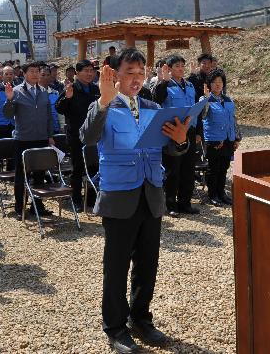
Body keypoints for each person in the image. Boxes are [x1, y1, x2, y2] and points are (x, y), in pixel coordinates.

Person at [79, 49, 191, 354]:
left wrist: (181, 140)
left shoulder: (153, 107)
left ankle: (140, 318)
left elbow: (171, 149)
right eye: (130, 71)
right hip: (120, 197)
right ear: (114, 75)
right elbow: (86, 137)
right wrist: (102, 100)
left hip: (151, 194)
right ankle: (115, 328)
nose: (136, 78)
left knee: (147, 263)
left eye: (141, 72)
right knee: (116, 267)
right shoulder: (103, 106)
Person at [3, 60, 55, 220]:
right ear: (24, 74)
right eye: (31, 71)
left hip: (41, 138)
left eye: (37, 71)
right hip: (23, 139)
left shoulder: (44, 91)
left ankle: (37, 206)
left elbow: (48, 116)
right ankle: (19, 207)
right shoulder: (17, 91)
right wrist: (10, 99)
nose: (34, 74)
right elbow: (8, 114)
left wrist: (50, 136)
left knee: (40, 174)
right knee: (21, 175)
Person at [153, 55, 199, 216]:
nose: (180, 68)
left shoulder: (190, 85)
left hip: (190, 131)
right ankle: (170, 204)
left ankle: (185, 203)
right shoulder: (164, 85)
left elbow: (196, 109)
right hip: (172, 131)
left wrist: (198, 132)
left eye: (182, 65)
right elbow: (156, 99)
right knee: (173, 169)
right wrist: (164, 81)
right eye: (177, 66)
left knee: (188, 167)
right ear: (169, 69)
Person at [55, 59, 100, 210]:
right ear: (77, 73)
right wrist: (67, 97)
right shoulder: (71, 88)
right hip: (76, 135)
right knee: (78, 168)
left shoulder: (95, 89)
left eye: (91, 71)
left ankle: (91, 199)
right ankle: (76, 199)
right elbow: (59, 108)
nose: (89, 74)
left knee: (94, 167)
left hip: (94, 135)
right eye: (86, 71)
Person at [199, 69, 239, 206]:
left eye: (220, 82)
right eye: (214, 82)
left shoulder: (228, 100)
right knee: (213, 168)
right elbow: (202, 116)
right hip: (214, 140)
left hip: (228, 139)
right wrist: (205, 99)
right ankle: (213, 195)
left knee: (224, 167)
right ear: (209, 84)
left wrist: (236, 138)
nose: (217, 84)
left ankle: (222, 193)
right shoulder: (205, 99)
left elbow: (233, 120)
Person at [38, 65, 62, 135]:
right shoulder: (33, 93)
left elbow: (59, 112)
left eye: (48, 75)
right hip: (39, 131)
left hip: (55, 129)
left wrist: (62, 126)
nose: (46, 77)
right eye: (43, 75)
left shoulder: (55, 93)